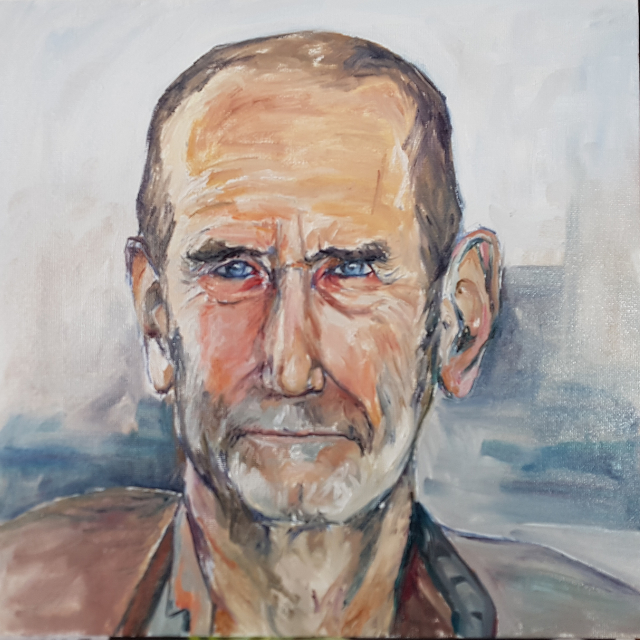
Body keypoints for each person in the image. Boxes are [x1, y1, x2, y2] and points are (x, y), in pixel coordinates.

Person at [2, 31, 640, 639]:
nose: (290, 369)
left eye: (353, 270)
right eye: (233, 270)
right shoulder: (23, 604)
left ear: (460, 320)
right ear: (155, 315)